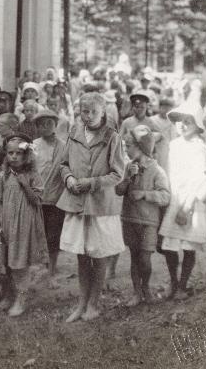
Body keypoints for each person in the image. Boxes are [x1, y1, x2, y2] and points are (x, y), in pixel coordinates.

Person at [58, 92, 125, 322]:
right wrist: (68, 179)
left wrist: (92, 182)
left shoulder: (111, 137)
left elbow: (118, 174)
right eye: (83, 111)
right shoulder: (74, 132)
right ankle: (81, 302)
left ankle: (94, 304)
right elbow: (64, 164)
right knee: (81, 254)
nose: (87, 116)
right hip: (77, 202)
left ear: (103, 112)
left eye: (93, 112)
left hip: (100, 206)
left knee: (99, 254)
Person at [159, 100, 206, 300]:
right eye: (179, 121)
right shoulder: (174, 145)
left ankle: (183, 284)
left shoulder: (200, 147)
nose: (182, 125)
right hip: (174, 197)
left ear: (197, 124)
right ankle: (173, 280)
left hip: (192, 201)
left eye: (188, 121)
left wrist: (186, 207)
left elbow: (199, 179)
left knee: (188, 246)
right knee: (169, 244)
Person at [115, 125, 170, 306]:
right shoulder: (128, 167)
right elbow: (118, 190)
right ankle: (137, 292)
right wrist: (129, 178)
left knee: (145, 259)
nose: (126, 149)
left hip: (148, 221)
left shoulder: (157, 170)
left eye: (129, 145)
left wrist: (146, 194)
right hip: (130, 218)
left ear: (141, 147)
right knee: (134, 257)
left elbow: (165, 196)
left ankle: (146, 287)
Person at [0, 136, 48, 317]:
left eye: (19, 153)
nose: (14, 156)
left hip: (25, 224)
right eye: (11, 153)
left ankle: (21, 299)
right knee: (8, 264)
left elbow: (38, 200)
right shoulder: (3, 175)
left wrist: (26, 185)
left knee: (20, 263)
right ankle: (9, 296)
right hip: (8, 224)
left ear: (27, 156)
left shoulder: (33, 175)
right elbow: (0, 201)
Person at [32, 110, 66, 279]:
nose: (46, 126)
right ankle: (41, 268)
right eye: (42, 124)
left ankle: (51, 271)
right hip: (37, 198)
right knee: (39, 235)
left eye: (49, 123)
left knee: (54, 236)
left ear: (55, 124)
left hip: (56, 198)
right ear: (37, 127)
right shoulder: (34, 145)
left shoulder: (64, 146)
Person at [149, 97, 178, 173]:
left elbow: (175, 137)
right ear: (159, 108)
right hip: (156, 150)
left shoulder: (173, 121)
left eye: (169, 109)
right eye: (164, 108)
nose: (166, 111)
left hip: (169, 150)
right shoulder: (152, 120)